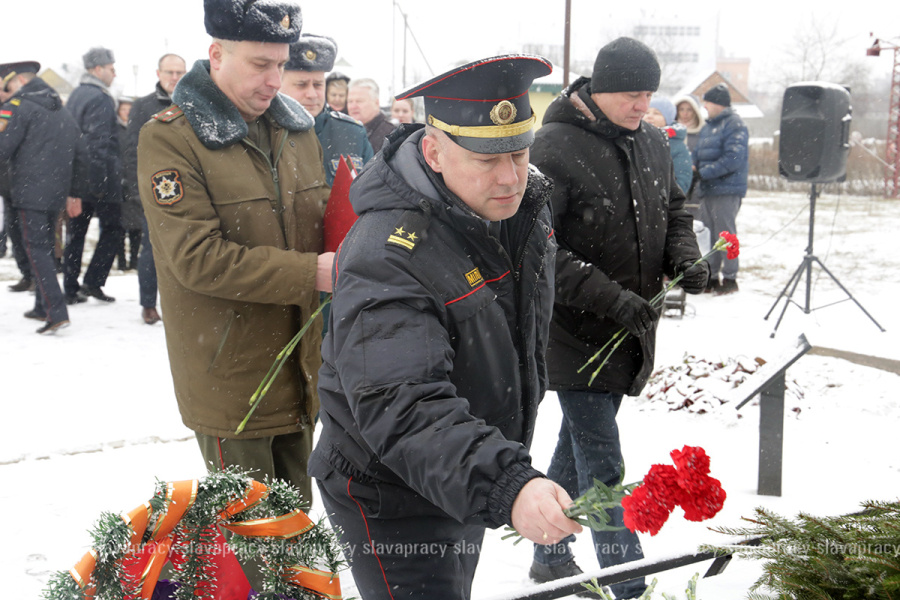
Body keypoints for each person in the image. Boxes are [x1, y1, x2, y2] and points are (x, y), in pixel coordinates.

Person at [309, 54, 582, 600]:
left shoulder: (522, 208)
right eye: (485, 159)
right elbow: (400, 402)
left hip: (463, 465)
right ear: (433, 151)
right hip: (392, 489)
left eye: (519, 152)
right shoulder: (387, 251)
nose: (509, 176)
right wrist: (503, 481)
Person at [137, 0, 331, 527]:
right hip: (233, 376)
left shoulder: (296, 130)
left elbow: (323, 222)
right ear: (216, 54)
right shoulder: (172, 137)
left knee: (296, 529)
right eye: (259, 64)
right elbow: (196, 259)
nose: (275, 80)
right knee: (252, 536)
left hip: (302, 368)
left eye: (281, 64)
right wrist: (312, 273)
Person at [528, 37, 707, 599]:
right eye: (632, 94)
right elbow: (540, 249)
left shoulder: (651, 140)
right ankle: (624, 581)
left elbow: (675, 208)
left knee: (578, 445)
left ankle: (549, 553)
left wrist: (683, 255)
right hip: (572, 331)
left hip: (628, 330)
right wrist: (609, 297)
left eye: (648, 94)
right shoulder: (553, 146)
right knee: (603, 459)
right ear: (599, 91)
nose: (642, 105)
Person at [0, 61, 85, 333]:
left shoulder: (18, 106)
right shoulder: (60, 108)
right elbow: (79, 150)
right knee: (46, 249)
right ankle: (41, 306)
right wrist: (73, 191)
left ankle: (55, 310)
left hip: (29, 192)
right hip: (55, 193)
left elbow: (3, 148)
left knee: (36, 251)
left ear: (17, 81)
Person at [123, 53, 187, 325]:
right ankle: (149, 304)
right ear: (159, 74)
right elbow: (130, 151)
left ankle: (185, 303)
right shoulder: (143, 106)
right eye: (169, 72)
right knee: (151, 250)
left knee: (187, 250)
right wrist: (137, 191)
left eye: (179, 73)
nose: (175, 78)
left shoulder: (193, 104)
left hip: (189, 190)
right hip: (155, 190)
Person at [64, 46, 123, 304]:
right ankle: (92, 282)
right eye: (111, 68)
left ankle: (70, 286)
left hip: (77, 175)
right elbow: (98, 143)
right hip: (99, 178)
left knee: (76, 233)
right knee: (114, 229)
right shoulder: (99, 98)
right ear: (98, 69)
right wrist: (98, 184)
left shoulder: (76, 94)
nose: (114, 73)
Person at [281, 33, 373, 185]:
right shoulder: (262, 131)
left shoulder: (352, 133)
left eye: (318, 85)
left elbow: (372, 192)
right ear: (279, 82)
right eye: (301, 85)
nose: (312, 94)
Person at [694, 83, 748, 295]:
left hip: (726, 189)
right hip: (707, 189)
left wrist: (704, 172)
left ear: (717, 103)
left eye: (707, 101)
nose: (704, 106)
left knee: (726, 235)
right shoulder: (707, 127)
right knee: (708, 235)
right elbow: (698, 154)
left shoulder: (734, 125)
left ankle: (730, 278)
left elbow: (734, 158)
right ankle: (711, 276)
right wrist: (695, 169)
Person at [645, 96, 692, 195]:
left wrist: (659, 198)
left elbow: (682, 181)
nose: (649, 116)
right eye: (646, 112)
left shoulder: (676, 146)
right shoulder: (634, 139)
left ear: (667, 119)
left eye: (656, 113)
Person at [115, 97, 141, 273]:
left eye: (129, 110)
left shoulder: (137, 130)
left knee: (136, 227)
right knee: (119, 227)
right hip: (119, 185)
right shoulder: (115, 131)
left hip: (134, 183)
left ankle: (134, 259)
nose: (127, 113)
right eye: (123, 109)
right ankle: (121, 260)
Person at [347, 77, 395, 152]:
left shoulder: (391, 136)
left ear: (376, 103)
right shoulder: (344, 132)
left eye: (359, 101)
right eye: (350, 101)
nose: (353, 106)